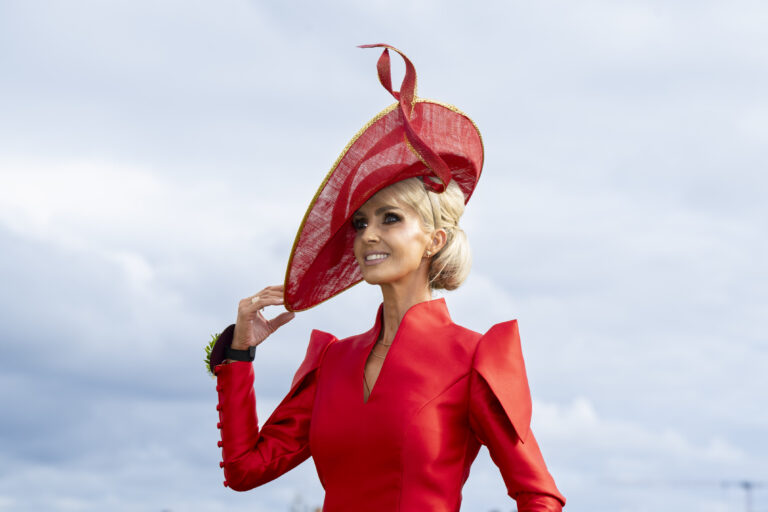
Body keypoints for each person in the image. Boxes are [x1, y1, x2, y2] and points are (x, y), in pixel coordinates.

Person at [209, 44, 565, 511]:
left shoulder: (474, 359)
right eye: (360, 223)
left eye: (390, 219)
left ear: (434, 239)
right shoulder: (332, 361)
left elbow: (538, 495)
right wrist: (238, 353)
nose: (368, 236)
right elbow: (245, 470)